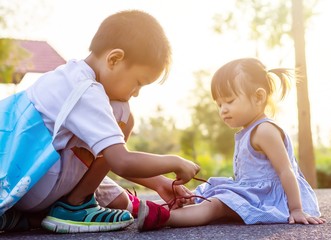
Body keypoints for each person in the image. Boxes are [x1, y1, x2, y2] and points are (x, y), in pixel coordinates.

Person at [0, 10, 199, 233]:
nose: (136, 93)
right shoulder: (85, 92)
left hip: (19, 182)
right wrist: (174, 162)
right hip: (33, 184)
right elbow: (120, 160)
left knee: (118, 202)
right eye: (138, 83)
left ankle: (25, 218)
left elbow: (109, 155)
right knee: (123, 114)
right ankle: (75, 206)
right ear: (114, 59)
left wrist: (158, 182)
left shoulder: (68, 76)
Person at [137, 58, 326, 231]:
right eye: (219, 104)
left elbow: (286, 171)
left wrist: (296, 209)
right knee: (203, 192)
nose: (223, 110)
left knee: (216, 205)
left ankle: (163, 217)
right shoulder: (248, 131)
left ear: (259, 97)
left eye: (229, 101)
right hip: (252, 192)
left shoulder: (265, 131)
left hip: (270, 199)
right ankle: (157, 208)